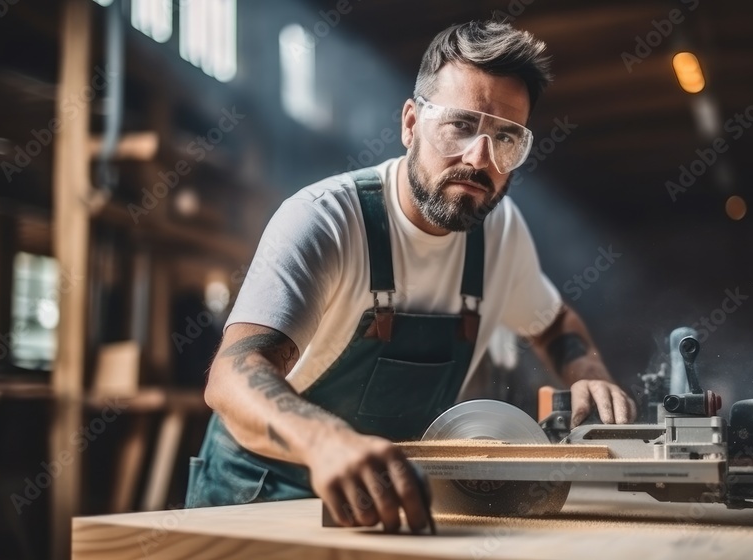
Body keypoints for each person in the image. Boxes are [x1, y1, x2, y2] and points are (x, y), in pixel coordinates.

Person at [187, 20, 636, 533]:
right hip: (260, 494)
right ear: (409, 124)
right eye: (461, 125)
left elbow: (554, 326)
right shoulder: (325, 219)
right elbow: (233, 374)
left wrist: (590, 377)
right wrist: (327, 442)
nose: (478, 158)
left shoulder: (499, 233)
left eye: (506, 137)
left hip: (388, 502)